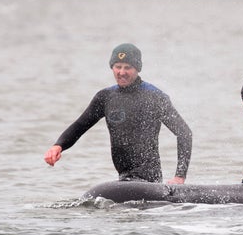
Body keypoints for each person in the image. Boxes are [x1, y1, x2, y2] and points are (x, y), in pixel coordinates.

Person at [44, 43, 193, 184]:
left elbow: (184, 133)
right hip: (123, 178)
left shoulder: (155, 97)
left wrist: (180, 176)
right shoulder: (106, 97)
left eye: (127, 67)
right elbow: (80, 125)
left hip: (149, 181)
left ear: (137, 69)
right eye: (118, 67)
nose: (122, 72)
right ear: (112, 67)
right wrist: (58, 146)